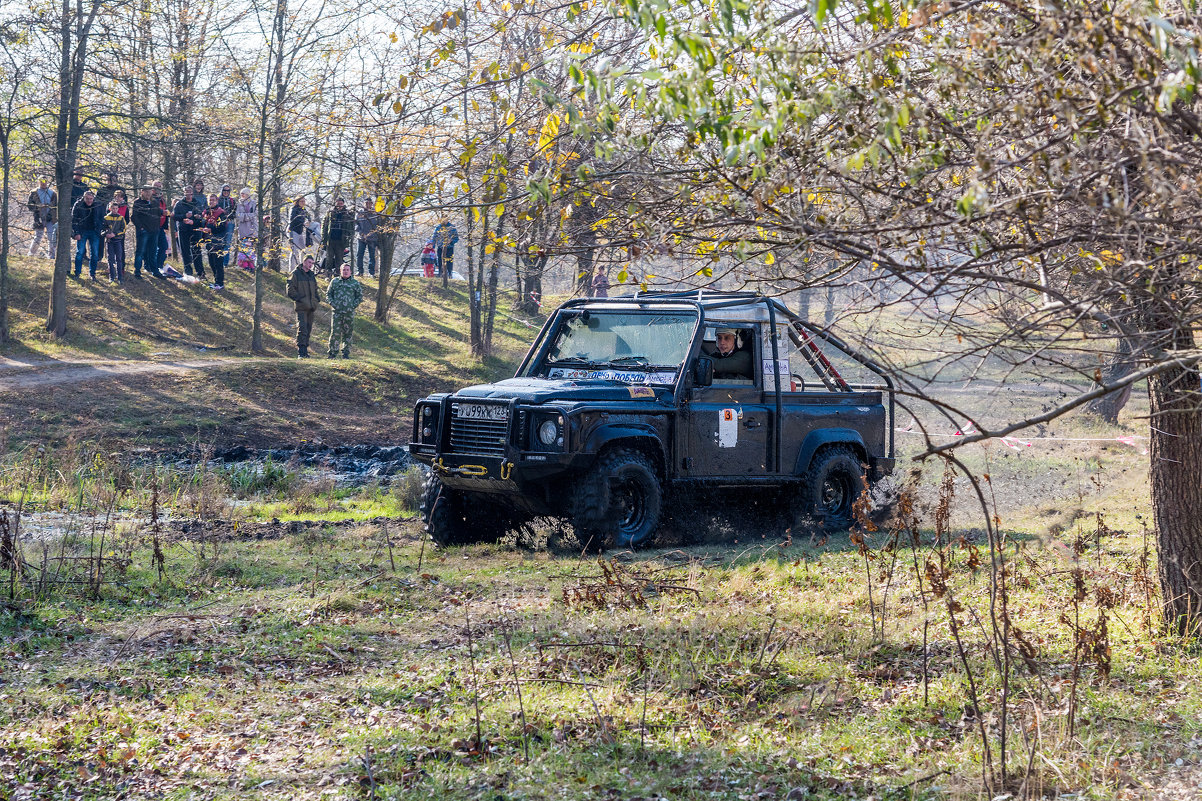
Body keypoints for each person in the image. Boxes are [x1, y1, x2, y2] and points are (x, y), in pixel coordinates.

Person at [326, 262, 364, 358]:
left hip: (349, 312)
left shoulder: (355, 283)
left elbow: (359, 297)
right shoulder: (335, 281)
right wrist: (333, 304)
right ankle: (332, 353)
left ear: (350, 271)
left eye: (347, 270)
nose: (345, 272)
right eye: (344, 270)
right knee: (335, 333)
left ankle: (346, 353)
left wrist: (352, 306)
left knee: (348, 333)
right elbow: (328, 294)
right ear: (340, 271)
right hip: (337, 312)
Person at [286, 255, 321, 358]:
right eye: (309, 262)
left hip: (311, 307)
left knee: (308, 330)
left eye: (312, 263)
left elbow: (315, 289)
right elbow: (290, 289)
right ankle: (301, 352)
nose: (310, 265)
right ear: (304, 262)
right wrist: (299, 298)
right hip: (301, 307)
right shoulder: (296, 274)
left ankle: (305, 352)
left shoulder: (311, 275)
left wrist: (316, 299)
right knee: (302, 329)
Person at [173, 186, 206, 278]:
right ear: (184, 193)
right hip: (183, 230)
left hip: (195, 230)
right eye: (186, 192)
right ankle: (188, 272)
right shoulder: (179, 204)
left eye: (190, 192)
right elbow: (174, 217)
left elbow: (202, 217)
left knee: (197, 251)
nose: (188, 194)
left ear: (192, 193)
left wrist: (195, 219)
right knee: (185, 252)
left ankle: (200, 273)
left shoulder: (197, 203)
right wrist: (184, 216)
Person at [131, 185, 163, 279]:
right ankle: (137, 271)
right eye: (146, 192)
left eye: (150, 192)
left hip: (154, 231)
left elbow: (158, 214)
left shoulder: (155, 202)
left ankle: (154, 271)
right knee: (140, 252)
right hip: (143, 231)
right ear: (142, 192)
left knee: (153, 252)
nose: (148, 194)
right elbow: (134, 217)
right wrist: (140, 227)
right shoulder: (138, 203)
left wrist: (163, 213)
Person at [71, 189, 103, 279]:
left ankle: (92, 274)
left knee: (95, 254)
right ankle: (77, 273)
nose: (89, 201)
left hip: (94, 231)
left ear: (93, 198)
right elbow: (74, 219)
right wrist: (76, 233)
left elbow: (101, 218)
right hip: (82, 231)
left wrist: (99, 230)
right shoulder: (78, 205)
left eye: (91, 198)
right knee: (80, 252)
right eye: (87, 198)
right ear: (84, 198)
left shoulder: (98, 205)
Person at [320, 196, 354, 276]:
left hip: (341, 240)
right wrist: (323, 237)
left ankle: (338, 275)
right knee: (329, 258)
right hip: (330, 239)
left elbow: (351, 227)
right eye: (338, 204)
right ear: (335, 204)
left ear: (343, 204)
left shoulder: (347, 214)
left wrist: (349, 237)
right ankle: (328, 274)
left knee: (339, 259)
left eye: (341, 204)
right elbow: (324, 225)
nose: (339, 205)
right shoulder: (330, 212)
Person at [200, 193, 227, 289]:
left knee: (218, 262)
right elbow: (203, 223)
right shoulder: (206, 212)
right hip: (208, 239)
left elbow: (223, 227)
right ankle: (216, 282)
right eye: (210, 200)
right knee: (211, 261)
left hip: (218, 240)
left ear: (217, 201)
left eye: (213, 200)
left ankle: (220, 283)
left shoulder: (221, 212)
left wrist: (211, 229)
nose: (211, 202)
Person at [26, 178, 58, 258]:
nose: (43, 183)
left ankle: (51, 256)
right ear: (39, 182)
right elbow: (29, 206)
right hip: (39, 218)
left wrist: (50, 207)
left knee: (52, 237)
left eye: (45, 181)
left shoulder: (53, 193)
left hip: (51, 218)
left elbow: (56, 206)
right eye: (42, 181)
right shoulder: (33, 193)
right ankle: (31, 254)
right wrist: (38, 207)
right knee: (38, 236)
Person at [102, 201, 127, 284]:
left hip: (118, 240)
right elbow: (102, 229)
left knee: (119, 259)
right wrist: (106, 234)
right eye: (113, 208)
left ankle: (120, 277)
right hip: (110, 241)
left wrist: (114, 234)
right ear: (110, 208)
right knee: (110, 259)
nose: (115, 210)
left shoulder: (121, 218)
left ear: (118, 209)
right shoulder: (106, 218)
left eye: (116, 208)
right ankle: (111, 277)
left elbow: (123, 229)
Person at [235, 187, 258, 270]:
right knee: (243, 247)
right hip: (242, 229)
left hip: (251, 228)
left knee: (251, 248)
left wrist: (244, 216)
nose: (242, 195)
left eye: (243, 193)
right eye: (241, 193)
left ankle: (251, 265)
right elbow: (238, 216)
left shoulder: (253, 203)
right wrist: (248, 216)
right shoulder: (239, 203)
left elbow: (255, 214)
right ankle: (242, 264)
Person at [354, 199, 379, 277]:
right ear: (364, 203)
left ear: (372, 204)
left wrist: (373, 233)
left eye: (369, 203)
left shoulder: (375, 212)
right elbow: (355, 223)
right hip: (361, 237)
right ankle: (360, 271)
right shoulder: (359, 212)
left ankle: (371, 272)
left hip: (372, 238)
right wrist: (359, 230)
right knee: (359, 254)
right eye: (366, 203)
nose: (368, 205)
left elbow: (378, 224)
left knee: (372, 255)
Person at [152, 181, 170, 274]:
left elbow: (165, 211)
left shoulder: (163, 199)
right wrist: (161, 212)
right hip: (153, 227)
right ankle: (152, 266)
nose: (158, 188)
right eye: (156, 186)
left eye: (160, 186)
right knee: (153, 247)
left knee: (164, 246)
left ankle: (159, 265)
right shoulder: (151, 198)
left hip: (161, 227)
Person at [288, 196, 312, 270]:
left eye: (304, 201)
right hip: (293, 231)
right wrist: (303, 222)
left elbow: (309, 216)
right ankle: (291, 269)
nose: (303, 203)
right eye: (301, 201)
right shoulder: (293, 209)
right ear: (297, 202)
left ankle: (303, 267)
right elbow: (293, 219)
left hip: (300, 232)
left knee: (303, 249)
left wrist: (308, 220)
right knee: (294, 250)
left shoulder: (303, 209)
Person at [217, 184, 236, 269]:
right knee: (219, 241)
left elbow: (235, 212)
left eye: (228, 191)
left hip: (230, 223)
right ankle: (218, 261)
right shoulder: (218, 200)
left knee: (227, 242)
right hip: (220, 223)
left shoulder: (232, 201)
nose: (226, 192)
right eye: (224, 190)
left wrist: (230, 215)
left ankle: (225, 263)